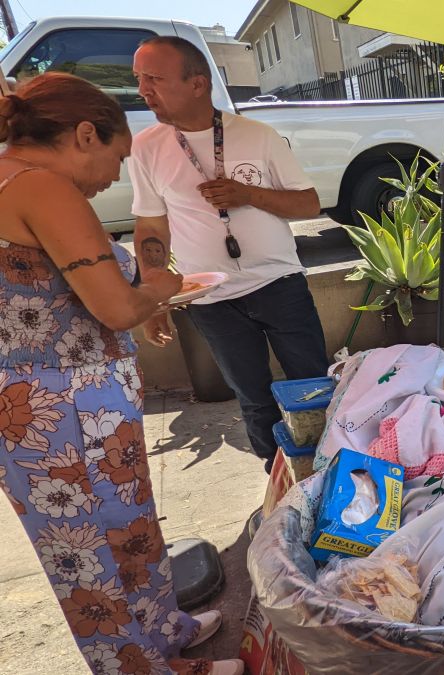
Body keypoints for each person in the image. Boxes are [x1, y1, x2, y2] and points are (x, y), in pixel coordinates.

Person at [0, 72, 243, 675]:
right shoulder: (43, 187)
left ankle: (163, 631)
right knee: (90, 557)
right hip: (64, 408)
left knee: (120, 532)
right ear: (85, 134)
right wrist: (161, 289)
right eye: (116, 155)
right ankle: (145, 667)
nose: (114, 175)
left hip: (37, 403)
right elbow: (116, 306)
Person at [129, 37, 329, 471]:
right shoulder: (146, 147)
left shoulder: (258, 135)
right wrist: (152, 298)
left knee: (313, 387)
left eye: (155, 79)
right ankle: (278, 481)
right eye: (139, 79)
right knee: (253, 398)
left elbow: (309, 204)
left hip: (279, 284)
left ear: (198, 83)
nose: (143, 90)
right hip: (211, 299)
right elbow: (150, 225)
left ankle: (325, 472)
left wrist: (247, 195)